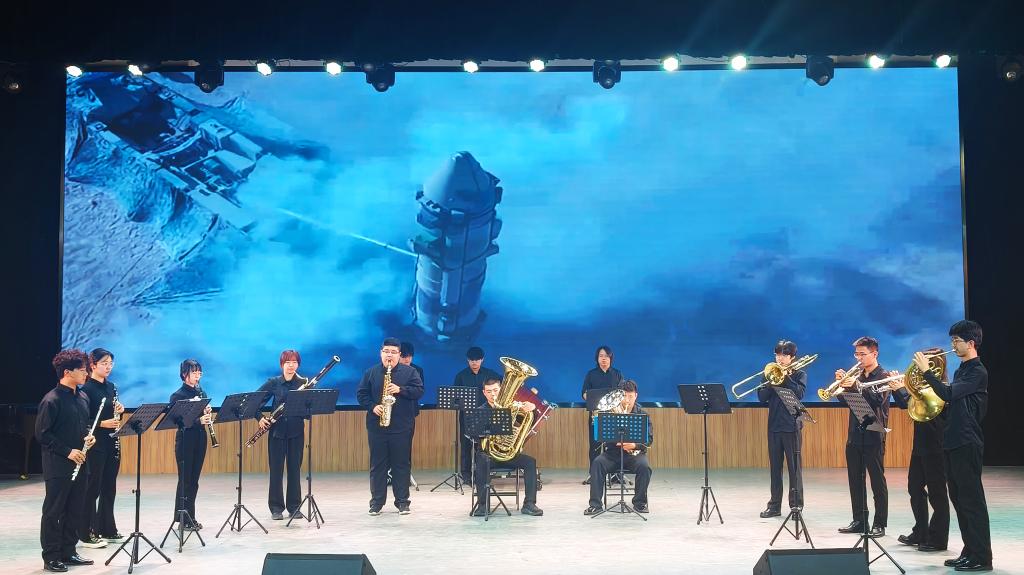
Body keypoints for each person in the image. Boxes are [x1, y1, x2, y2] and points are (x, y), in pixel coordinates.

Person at [922, 321, 992, 572]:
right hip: (952, 440)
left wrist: (927, 373)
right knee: (959, 500)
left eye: (956, 341)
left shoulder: (977, 371)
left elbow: (948, 394)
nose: (952, 345)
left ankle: (982, 557)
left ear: (971, 343)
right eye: (952, 340)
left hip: (967, 441)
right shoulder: (962, 370)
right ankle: (970, 550)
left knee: (972, 501)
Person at [37, 349, 96, 572]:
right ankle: (51, 556)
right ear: (67, 372)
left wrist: (89, 436)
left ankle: (68, 551)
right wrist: (67, 451)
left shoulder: (83, 397)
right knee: (54, 511)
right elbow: (43, 434)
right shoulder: (51, 400)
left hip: (81, 463)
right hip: (58, 465)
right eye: (82, 370)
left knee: (75, 509)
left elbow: (84, 425)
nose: (86, 374)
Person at [888, 349, 950, 553]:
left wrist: (904, 389)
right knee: (914, 488)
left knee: (937, 494)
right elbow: (909, 406)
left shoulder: (942, 388)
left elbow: (926, 405)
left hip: (937, 446)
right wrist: (898, 389)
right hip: (920, 446)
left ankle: (938, 538)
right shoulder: (923, 388)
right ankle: (921, 531)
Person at [356, 337, 424, 515]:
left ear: (399, 355)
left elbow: (419, 391)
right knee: (377, 465)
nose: (389, 355)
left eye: (393, 352)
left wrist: (400, 389)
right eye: (386, 351)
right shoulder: (370, 373)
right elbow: (361, 394)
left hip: (402, 426)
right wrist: (373, 406)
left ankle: (402, 502)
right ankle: (376, 503)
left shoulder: (410, 372)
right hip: (377, 426)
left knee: (401, 464)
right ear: (381, 353)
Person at [835, 336, 891, 538]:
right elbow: (845, 401)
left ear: (874, 354)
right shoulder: (858, 375)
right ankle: (859, 520)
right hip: (855, 434)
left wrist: (856, 385)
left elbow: (877, 400)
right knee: (855, 480)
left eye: (862, 354)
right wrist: (842, 384)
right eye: (856, 354)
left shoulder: (883, 375)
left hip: (874, 435)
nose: (858, 358)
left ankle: (879, 523)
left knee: (877, 481)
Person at [472, 377, 544, 516]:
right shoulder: (480, 411)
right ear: (484, 393)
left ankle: (529, 504)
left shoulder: (511, 408)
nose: (493, 394)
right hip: (489, 455)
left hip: (509, 453)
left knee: (530, 462)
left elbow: (529, 421)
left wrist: (533, 409)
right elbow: (474, 436)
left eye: (495, 390)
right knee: (480, 461)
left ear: (501, 390)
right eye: (489, 391)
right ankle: (482, 506)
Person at [583, 379, 652, 515]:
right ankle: (595, 505)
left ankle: (640, 503)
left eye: (630, 396)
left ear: (636, 396)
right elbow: (601, 437)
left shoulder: (643, 415)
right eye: (624, 396)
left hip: (634, 454)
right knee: (597, 463)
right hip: (612, 454)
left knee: (645, 467)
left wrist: (634, 445)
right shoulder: (610, 413)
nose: (627, 400)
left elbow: (649, 440)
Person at [78, 348, 123, 548]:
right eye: (104, 363)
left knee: (109, 488)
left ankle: (107, 529)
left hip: (112, 442)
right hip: (95, 444)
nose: (108, 367)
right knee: (92, 489)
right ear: (93, 365)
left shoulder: (111, 387)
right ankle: (86, 532)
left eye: (110, 363)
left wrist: (120, 411)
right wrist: (102, 424)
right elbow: (82, 419)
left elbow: (113, 415)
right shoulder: (86, 389)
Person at [757, 340, 807, 518]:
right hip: (774, 426)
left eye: (784, 355)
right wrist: (771, 381)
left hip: (791, 426)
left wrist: (785, 377)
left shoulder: (800, 374)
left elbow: (799, 394)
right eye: (777, 355)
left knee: (794, 469)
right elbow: (762, 397)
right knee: (775, 468)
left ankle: (796, 506)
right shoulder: (769, 372)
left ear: (792, 357)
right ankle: (774, 506)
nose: (780, 358)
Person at [256, 350, 306, 520]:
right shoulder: (274, 383)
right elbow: (255, 402)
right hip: (277, 433)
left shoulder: (303, 383)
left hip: (296, 432)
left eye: (294, 362)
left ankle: (294, 507)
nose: (291, 366)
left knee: (294, 470)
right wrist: (260, 418)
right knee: (276, 471)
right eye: (287, 362)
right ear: (281, 365)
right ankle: (276, 508)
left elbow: (308, 407)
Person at [168, 359, 214, 530]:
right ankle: (182, 517)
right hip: (185, 440)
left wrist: (207, 412)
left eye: (199, 373)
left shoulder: (201, 392)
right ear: (184, 374)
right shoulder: (177, 396)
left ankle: (190, 516)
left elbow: (201, 416)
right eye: (194, 372)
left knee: (194, 480)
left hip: (200, 438)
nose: (197, 376)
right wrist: (198, 420)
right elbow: (178, 422)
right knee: (185, 480)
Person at [452, 346, 500, 483]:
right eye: (471, 360)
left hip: (486, 415)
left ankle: (483, 473)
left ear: (482, 360)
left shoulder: (491, 374)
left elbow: (501, 387)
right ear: (467, 360)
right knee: (466, 445)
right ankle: (466, 475)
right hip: (467, 416)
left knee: (484, 445)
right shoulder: (461, 376)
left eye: (477, 360)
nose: (474, 362)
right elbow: (455, 398)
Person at [581, 345, 625, 483]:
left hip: (613, 416)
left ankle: (615, 474)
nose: (603, 359)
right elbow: (584, 394)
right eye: (601, 356)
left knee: (614, 445)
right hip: (596, 415)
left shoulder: (617, 374)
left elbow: (622, 394)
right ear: (597, 358)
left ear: (610, 358)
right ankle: (593, 474)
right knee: (594, 445)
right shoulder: (591, 374)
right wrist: (591, 397)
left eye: (606, 356)